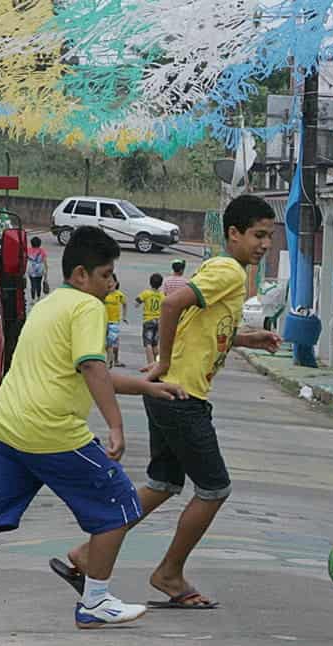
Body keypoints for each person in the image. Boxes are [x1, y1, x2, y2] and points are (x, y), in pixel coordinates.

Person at [0, 226, 188, 632]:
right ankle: (96, 600)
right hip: (50, 431)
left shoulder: (49, 305)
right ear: (82, 275)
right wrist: (117, 427)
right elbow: (92, 366)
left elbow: (88, 372)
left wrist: (147, 387)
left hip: (7, 428)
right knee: (122, 505)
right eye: (106, 275)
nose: (111, 285)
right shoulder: (87, 308)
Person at [51, 195, 281, 610]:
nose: (264, 244)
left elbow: (205, 327)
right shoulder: (229, 270)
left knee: (163, 483)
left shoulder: (218, 268)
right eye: (258, 235)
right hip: (181, 396)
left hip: (168, 394)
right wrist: (165, 361)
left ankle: (88, 554)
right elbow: (174, 304)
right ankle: (169, 573)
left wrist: (248, 339)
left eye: (269, 236)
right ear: (234, 234)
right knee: (214, 489)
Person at [103, 273, 126, 367]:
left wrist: (124, 316)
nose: (109, 284)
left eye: (111, 282)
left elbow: (125, 304)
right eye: (107, 282)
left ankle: (114, 360)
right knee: (108, 343)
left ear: (116, 283)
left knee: (112, 342)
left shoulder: (119, 295)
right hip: (104, 321)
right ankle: (109, 360)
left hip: (114, 322)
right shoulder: (104, 294)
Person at [137, 273, 164, 352]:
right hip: (158, 320)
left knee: (148, 343)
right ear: (161, 284)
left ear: (150, 282)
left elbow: (137, 303)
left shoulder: (146, 293)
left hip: (148, 320)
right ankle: (156, 361)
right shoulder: (162, 295)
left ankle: (150, 362)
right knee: (155, 344)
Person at [26, 236, 48, 302]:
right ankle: (38, 298)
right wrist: (46, 272)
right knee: (39, 284)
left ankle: (33, 299)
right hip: (39, 270)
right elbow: (45, 262)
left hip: (31, 270)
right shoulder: (42, 251)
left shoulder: (28, 250)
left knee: (32, 284)